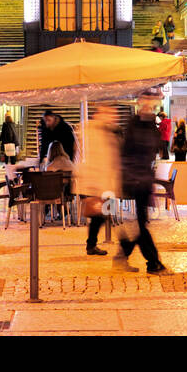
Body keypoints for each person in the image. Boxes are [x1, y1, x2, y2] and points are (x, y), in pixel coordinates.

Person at [118, 92, 167, 274]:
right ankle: (153, 263)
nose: (148, 104)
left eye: (151, 102)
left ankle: (123, 253)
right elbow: (128, 153)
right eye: (145, 101)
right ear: (139, 103)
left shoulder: (151, 125)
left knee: (141, 224)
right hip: (136, 180)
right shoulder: (134, 125)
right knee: (141, 224)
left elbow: (154, 150)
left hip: (144, 180)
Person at [75, 103, 120, 258]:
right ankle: (94, 245)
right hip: (96, 183)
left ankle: (92, 245)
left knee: (103, 215)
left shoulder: (107, 131)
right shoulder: (92, 131)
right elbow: (95, 160)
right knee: (101, 215)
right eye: (108, 112)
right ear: (98, 114)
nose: (112, 116)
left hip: (105, 182)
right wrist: (95, 186)